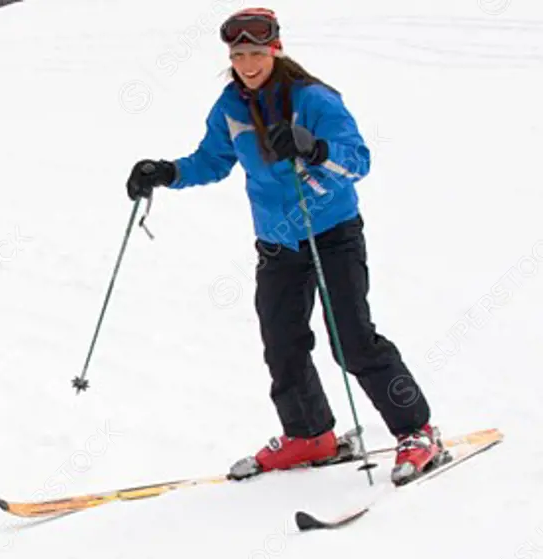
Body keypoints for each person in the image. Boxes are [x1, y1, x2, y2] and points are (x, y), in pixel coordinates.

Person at [124, 8, 443, 486]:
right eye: (237, 55)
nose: (247, 63)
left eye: (255, 53)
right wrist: (167, 172)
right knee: (283, 343)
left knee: (353, 341)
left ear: (275, 50)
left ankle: (417, 430)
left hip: (331, 234)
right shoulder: (230, 107)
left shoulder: (313, 100)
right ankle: (310, 434)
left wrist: (314, 149)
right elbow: (212, 160)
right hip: (277, 243)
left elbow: (358, 161)